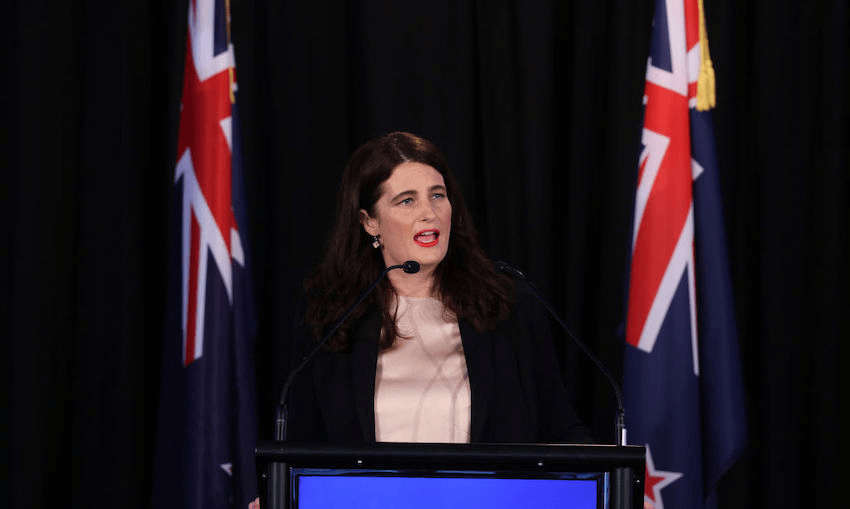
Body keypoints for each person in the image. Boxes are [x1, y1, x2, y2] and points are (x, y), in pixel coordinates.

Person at [281, 131, 593, 445]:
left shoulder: (508, 304)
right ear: (369, 222)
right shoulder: (332, 314)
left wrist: (614, 485)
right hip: (372, 496)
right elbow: (301, 442)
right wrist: (274, 492)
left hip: (486, 495)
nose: (429, 213)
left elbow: (561, 429)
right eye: (407, 200)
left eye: (437, 195)